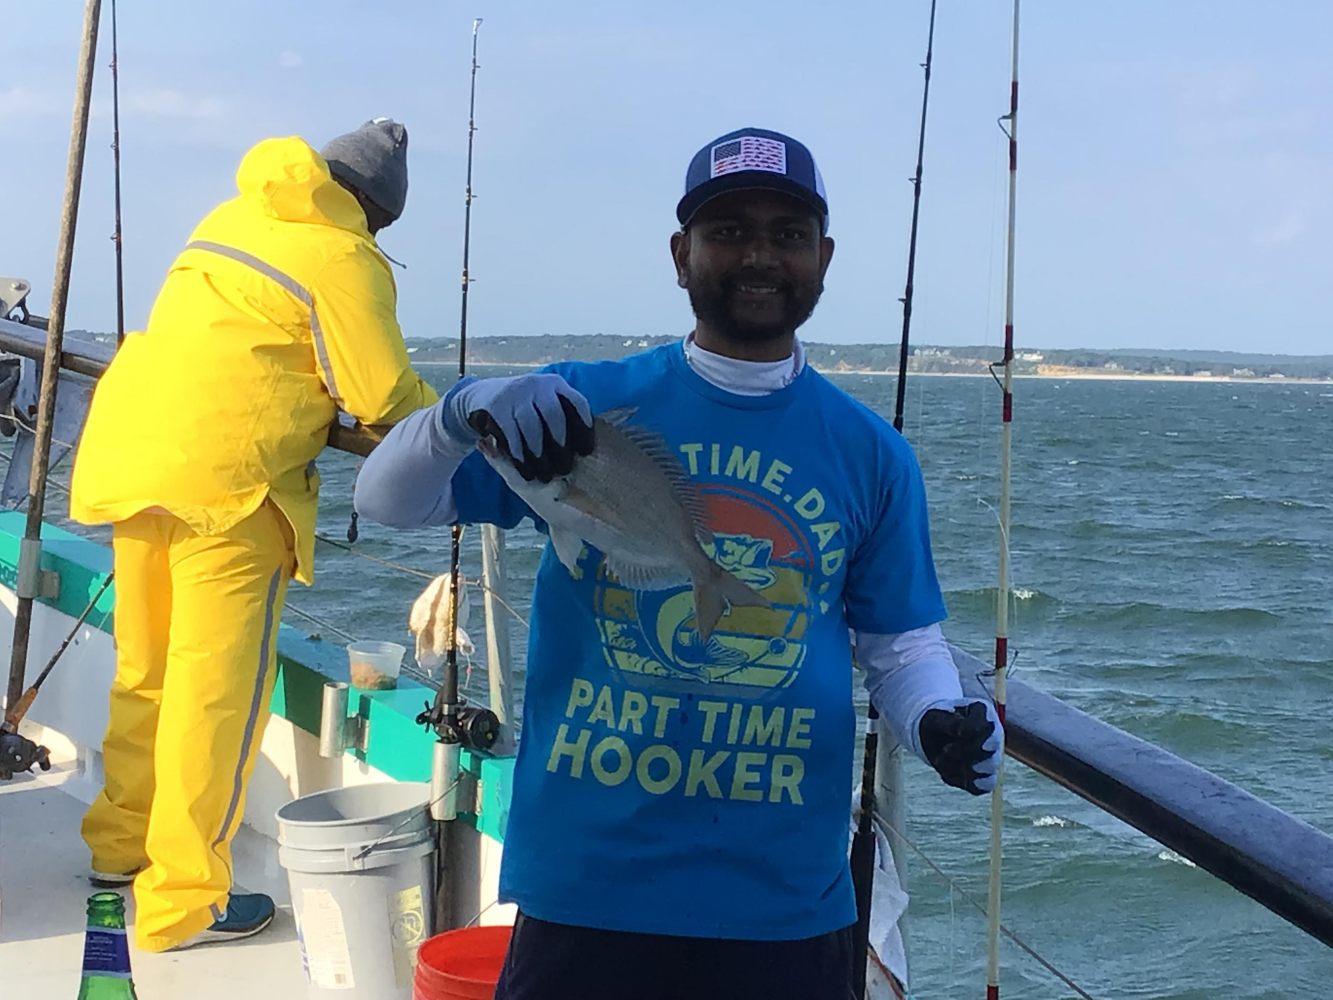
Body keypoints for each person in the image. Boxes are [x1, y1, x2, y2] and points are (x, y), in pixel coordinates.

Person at [353, 126, 1002, 999]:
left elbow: (900, 647)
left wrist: (937, 720)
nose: (759, 256)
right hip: (587, 883)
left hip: (786, 899)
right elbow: (386, 502)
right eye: (728, 231)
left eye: (787, 233)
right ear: (680, 253)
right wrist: (458, 413)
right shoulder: (577, 409)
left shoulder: (872, 453)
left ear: (823, 257)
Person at [68, 118, 439, 953]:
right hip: (232, 486)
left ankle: (119, 849)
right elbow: (379, 397)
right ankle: (183, 904)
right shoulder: (345, 256)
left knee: (146, 674)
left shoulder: (228, 217)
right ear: (373, 211)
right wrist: (453, 419)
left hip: (134, 457)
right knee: (214, 701)